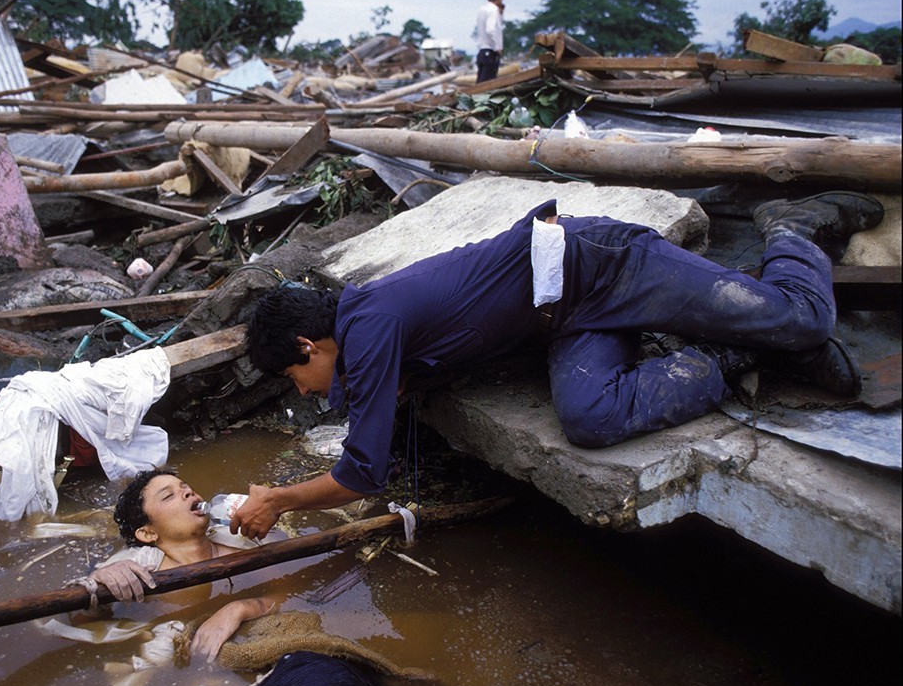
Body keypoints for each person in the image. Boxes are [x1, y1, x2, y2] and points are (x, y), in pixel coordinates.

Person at [230, 192, 885, 540]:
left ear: (310, 347)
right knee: (590, 416)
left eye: (296, 378)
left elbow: (362, 472)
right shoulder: (365, 327)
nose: (308, 391)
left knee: (804, 316)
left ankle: (791, 230)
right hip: (570, 318)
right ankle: (736, 352)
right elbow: (366, 402)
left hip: (605, 264)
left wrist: (279, 499)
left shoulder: (367, 326)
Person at [81, 469, 280, 663]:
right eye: (168, 496)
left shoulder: (241, 539)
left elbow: (292, 586)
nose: (189, 492)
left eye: (186, 488)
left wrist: (242, 608)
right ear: (148, 533)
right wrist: (102, 580)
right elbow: (84, 625)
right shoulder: (140, 567)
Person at [474, 0, 506, 83]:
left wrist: (501, 14)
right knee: (488, 85)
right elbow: (491, 30)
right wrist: (497, 48)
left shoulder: (482, 9)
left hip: (482, 52)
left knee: (481, 83)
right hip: (491, 52)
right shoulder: (493, 10)